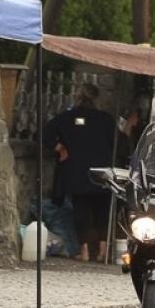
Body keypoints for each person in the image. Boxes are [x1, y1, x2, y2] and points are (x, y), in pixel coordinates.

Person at [42, 84, 117, 261]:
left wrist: (59, 147)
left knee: (81, 211)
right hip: (102, 173)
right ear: (98, 98)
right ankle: (102, 251)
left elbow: (44, 134)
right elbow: (118, 143)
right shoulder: (105, 119)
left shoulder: (67, 118)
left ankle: (84, 250)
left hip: (77, 172)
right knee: (102, 211)